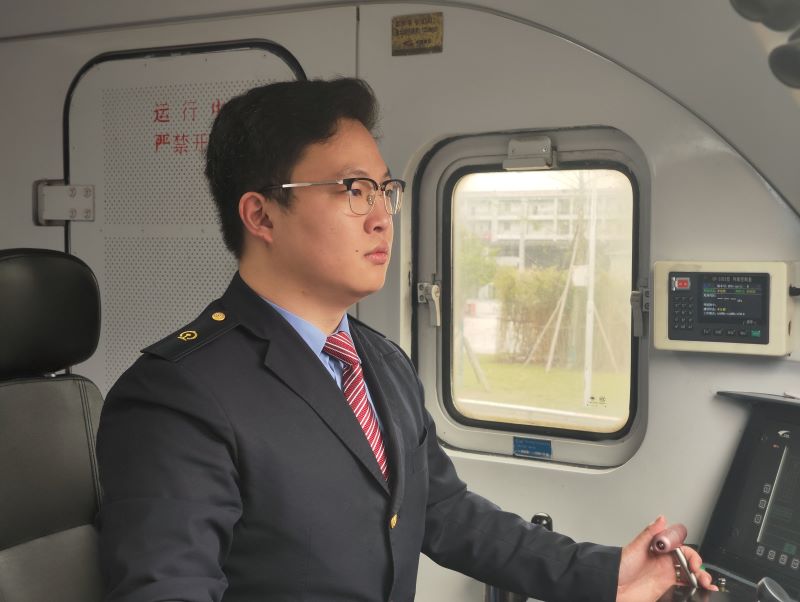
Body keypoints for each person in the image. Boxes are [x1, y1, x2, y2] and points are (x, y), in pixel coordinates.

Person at [96, 77, 716, 602]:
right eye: (352, 190)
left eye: (384, 191)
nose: (380, 217)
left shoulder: (380, 361)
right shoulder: (178, 396)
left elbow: (445, 512)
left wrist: (607, 574)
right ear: (261, 215)